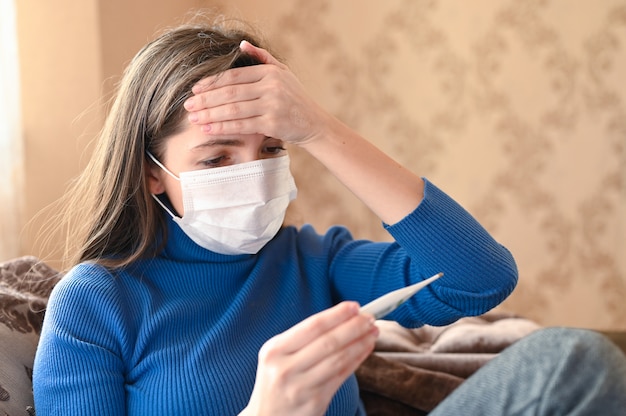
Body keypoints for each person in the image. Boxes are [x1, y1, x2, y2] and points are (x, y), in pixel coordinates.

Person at [32, 17, 626, 416]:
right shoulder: (96, 303)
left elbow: (481, 279)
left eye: (271, 150)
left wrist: (318, 127)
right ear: (150, 172)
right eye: (216, 158)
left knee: (575, 360)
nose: (252, 173)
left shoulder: (315, 261)